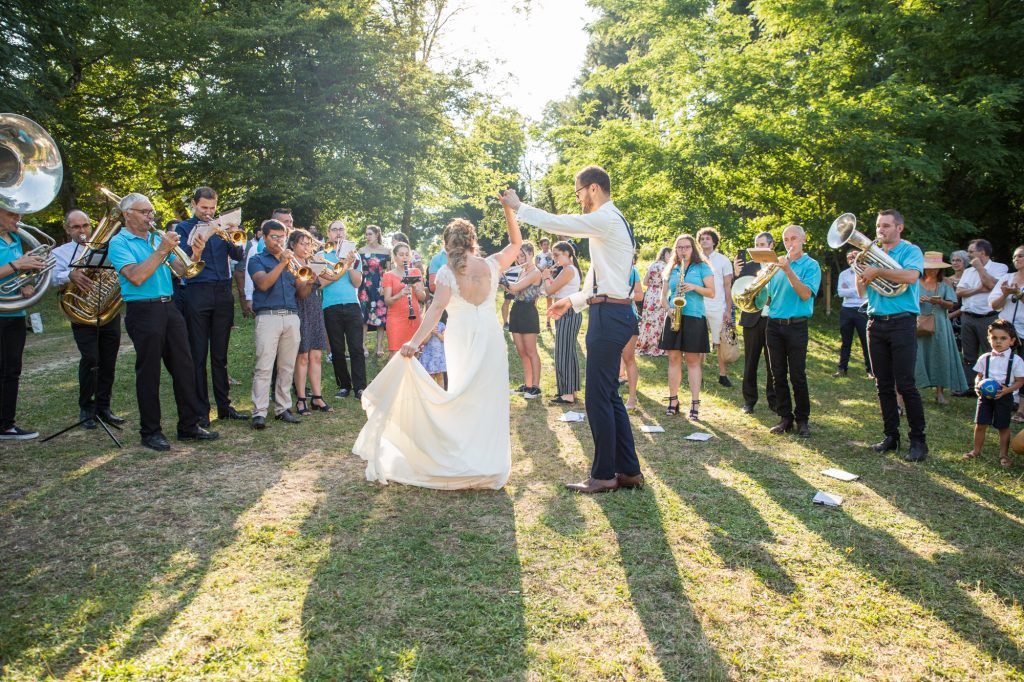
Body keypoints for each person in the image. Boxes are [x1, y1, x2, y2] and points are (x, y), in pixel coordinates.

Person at [352, 209, 522, 489]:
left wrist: (413, 342)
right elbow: (516, 244)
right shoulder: (491, 265)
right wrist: (508, 211)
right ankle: (489, 463)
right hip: (491, 337)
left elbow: (435, 310)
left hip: (462, 336)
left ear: (446, 245)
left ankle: (467, 456)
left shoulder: (447, 272)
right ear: (473, 241)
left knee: (462, 394)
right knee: (490, 396)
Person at [506, 165, 643, 494]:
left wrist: (519, 207)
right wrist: (574, 301)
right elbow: (602, 278)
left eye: (579, 191)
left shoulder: (606, 218)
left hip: (610, 316)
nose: (579, 198)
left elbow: (559, 223)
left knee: (597, 397)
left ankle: (603, 475)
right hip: (610, 311)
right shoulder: (609, 224)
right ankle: (628, 471)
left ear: (594, 188)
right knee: (608, 395)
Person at [106, 193, 219, 450]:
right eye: (144, 212)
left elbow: (180, 270)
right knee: (149, 372)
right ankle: (150, 431)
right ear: (127, 214)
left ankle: (188, 425)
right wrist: (160, 250)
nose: (150, 217)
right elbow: (136, 276)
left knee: (184, 366)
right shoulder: (119, 242)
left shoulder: (156, 238)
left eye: (151, 212)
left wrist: (196, 252)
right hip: (142, 309)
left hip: (169, 306)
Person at [855, 209, 927, 461]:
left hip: (902, 322)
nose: (880, 230)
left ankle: (918, 441)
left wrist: (878, 271)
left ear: (899, 228)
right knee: (882, 383)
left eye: (886, 225)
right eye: (878, 226)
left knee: (905, 384)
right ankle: (891, 436)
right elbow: (862, 292)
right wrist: (861, 270)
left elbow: (910, 276)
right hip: (875, 322)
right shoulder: (873, 254)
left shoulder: (910, 251)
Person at [174, 186, 248, 425]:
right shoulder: (184, 228)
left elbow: (237, 255)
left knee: (220, 354)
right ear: (194, 205)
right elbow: (183, 260)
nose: (208, 212)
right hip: (197, 291)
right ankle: (201, 410)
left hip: (223, 292)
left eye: (212, 208)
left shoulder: (221, 228)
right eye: (204, 207)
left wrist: (235, 234)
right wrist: (203, 238)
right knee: (198, 353)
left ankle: (224, 406)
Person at [50, 209, 126, 429]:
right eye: (76, 227)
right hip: (82, 314)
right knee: (91, 359)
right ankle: (86, 407)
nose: (82, 231)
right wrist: (70, 275)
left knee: (109, 360)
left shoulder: (107, 248)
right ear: (67, 229)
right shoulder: (60, 253)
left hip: (107, 312)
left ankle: (104, 407)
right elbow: (53, 278)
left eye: (85, 226)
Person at [247, 219, 314, 429]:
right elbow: (264, 284)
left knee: (287, 366)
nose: (278, 241)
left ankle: (283, 408)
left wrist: (307, 281)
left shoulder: (292, 262)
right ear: (264, 237)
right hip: (268, 316)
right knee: (264, 366)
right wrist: (282, 263)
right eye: (274, 237)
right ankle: (259, 411)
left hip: (292, 316)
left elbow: (301, 294)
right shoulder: (257, 260)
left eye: (281, 237)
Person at [763, 225, 821, 437]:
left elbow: (806, 294)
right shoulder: (775, 264)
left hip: (796, 325)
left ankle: (802, 419)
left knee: (797, 374)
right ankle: (785, 417)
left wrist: (788, 269)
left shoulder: (811, 265)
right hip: (774, 324)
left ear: (804, 240)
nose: (789, 243)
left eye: (794, 238)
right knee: (777, 374)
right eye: (786, 239)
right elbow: (769, 296)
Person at [0, 206, 47, 440]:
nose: (17, 219)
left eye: (18, 214)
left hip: (14, 312)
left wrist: (25, 283)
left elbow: (20, 274)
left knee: (11, 370)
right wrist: (17, 265)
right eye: (11, 214)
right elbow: (16, 266)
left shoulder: (16, 238)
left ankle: (6, 425)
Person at [659, 235, 714, 419]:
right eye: (680, 247)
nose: (683, 251)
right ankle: (673, 400)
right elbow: (663, 297)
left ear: (693, 248)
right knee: (673, 359)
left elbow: (712, 292)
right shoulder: (672, 269)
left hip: (694, 317)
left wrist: (693, 287)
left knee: (692, 361)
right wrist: (668, 310)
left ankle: (695, 403)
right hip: (675, 316)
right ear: (676, 249)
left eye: (687, 247)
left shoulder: (702, 267)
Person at [963, 319, 1024, 468]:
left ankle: (1003, 455)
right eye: (994, 338)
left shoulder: (1016, 360)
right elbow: (979, 375)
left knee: (1003, 426)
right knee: (980, 424)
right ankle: (976, 451)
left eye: (1003, 338)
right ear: (989, 339)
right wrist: (978, 385)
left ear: (1012, 341)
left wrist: (1006, 391)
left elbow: (1020, 381)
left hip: (1004, 397)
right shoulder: (985, 358)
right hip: (985, 397)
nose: (998, 341)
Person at [319, 220, 365, 400]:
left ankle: (360, 387)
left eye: (341, 229)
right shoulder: (321, 255)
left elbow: (357, 282)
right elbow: (321, 283)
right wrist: (340, 267)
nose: (338, 232)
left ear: (345, 233)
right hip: (330, 306)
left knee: (356, 348)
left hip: (352, 305)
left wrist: (350, 264)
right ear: (328, 233)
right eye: (334, 229)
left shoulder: (355, 256)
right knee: (337, 349)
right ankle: (344, 386)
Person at [914, 252, 968, 405]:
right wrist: (917, 300)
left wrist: (937, 301)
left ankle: (939, 393)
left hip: (940, 324)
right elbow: (905, 301)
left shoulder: (944, 284)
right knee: (917, 355)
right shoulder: (915, 282)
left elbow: (951, 304)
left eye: (935, 268)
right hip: (918, 322)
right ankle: (915, 389)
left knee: (940, 355)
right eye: (929, 268)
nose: (932, 271)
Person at [955, 239, 1008, 395]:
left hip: (988, 317)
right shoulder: (967, 271)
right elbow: (959, 292)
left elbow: (993, 286)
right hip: (968, 316)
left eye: (971, 251)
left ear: (982, 253)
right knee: (968, 353)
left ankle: (993, 385)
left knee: (992, 351)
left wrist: (979, 269)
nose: (968, 254)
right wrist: (979, 289)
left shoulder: (1000, 268)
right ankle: (969, 386)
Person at [289, 229, 332, 414]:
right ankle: (301, 398)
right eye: (302, 243)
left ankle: (317, 397)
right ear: (293, 245)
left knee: (316, 355)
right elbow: (297, 289)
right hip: (298, 306)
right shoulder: (289, 262)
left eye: (308, 244)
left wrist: (345, 265)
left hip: (314, 307)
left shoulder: (313, 261)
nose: (306, 247)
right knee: (302, 356)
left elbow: (331, 278)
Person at [734, 232, 776, 414]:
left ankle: (774, 401)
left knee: (773, 364)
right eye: (756, 244)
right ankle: (749, 401)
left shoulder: (779, 265)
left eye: (762, 244)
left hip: (773, 319)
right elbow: (737, 290)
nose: (758, 248)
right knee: (750, 362)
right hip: (752, 320)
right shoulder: (747, 267)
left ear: (771, 245)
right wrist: (736, 273)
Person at [542, 240, 582, 405]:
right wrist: (550, 277)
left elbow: (549, 291)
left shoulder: (568, 270)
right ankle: (570, 390)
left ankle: (567, 394)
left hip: (567, 312)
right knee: (568, 351)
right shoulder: (567, 270)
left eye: (557, 254)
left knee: (563, 352)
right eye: (553, 255)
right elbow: (556, 289)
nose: (555, 258)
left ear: (568, 254)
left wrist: (545, 277)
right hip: (567, 311)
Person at [988, 245, 1024, 421]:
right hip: (1005, 329)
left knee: (1023, 368)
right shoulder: (1006, 278)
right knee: (1002, 365)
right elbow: (993, 305)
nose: (1017, 259)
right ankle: (1002, 399)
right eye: (1015, 256)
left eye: (1021, 256)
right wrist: (1004, 294)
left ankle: (1021, 410)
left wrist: (1019, 293)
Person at [504, 242, 543, 398]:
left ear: (531, 254)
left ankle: (536, 387)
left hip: (528, 311)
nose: (520, 259)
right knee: (521, 351)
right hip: (517, 310)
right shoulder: (522, 271)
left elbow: (515, 288)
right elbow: (511, 290)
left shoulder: (535, 272)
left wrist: (501, 277)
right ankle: (527, 385)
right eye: (518, 256)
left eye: (523, 256)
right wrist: (504, 283)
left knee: (531, 351)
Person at [697, 227, 734, 387]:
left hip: (718, 306)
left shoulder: (723, 260)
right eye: (702, 238)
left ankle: (722, 374)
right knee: (698, 342)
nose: (704, 240)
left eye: (707, 238)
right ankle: (698, 374)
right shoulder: (695, 259)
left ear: (714, 241)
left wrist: (728, 309)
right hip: (698, 305)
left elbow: (727, 287)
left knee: (719, 343)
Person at [381, 241, 425, 358]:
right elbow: (387, 301)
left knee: (413, 352)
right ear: (394, 257)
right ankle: (394, 377)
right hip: (396, 317)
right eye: (401, 255)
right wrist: (400, 294)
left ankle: (410, 377)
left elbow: (422, 297)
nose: (404, 257)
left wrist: (416, 288)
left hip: (413, 317)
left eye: (407, 254)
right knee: (395, 353)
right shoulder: (388, 275)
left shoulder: (416, 272)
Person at [834, 248, 872, 378]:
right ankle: (842, 368)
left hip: (862, 309)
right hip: (847, 309)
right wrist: (856, 291)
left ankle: (870, 370)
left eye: (854, 257)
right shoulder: (843, 274)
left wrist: (850, 290)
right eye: (850, 258)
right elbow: (840, 292)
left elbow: (865, 293)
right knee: (846, 341)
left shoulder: (867, 272)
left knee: (865, 340)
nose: (852, 260)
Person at [358, 225, 390, 358]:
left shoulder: (386, 251)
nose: (367, 237)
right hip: (365, 286)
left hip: (380, 286)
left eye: (370, 234)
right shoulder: (361, 250)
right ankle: (363, 345)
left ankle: (379, 345)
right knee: (363, 316)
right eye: (366, 234)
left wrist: (386, 286)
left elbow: (388, 271)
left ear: (377, 235)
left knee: (380, 314)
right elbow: (358, 270)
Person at [619, 253, 644, 410]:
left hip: (628, 316)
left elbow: (640, 295)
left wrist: (622, 295)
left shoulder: (632, 270)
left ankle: (632, 398)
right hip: (608, 317)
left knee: (628, 357)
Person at [636, 247, 671, 357]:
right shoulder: (666, 267)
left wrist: (653, 285)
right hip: (660, 293)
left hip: (650, 293)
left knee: (647, 319)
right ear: (664, 255)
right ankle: (656, 347)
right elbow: (668, 283)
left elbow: (645, 282)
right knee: (658, 319)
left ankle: (644, 344)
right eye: (669, 254)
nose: (670, 257)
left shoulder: (652, 264)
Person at [947, 249, 969, 352]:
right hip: (947, 317)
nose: (955, 263)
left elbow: (968, 303)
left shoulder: (970, 279)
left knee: (964, 350)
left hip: (964, 316)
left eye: (958, 260)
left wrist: (952, 315)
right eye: (953, 260)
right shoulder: (947, 280)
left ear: (965, 262)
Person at [418, 320, 446, 386]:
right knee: (430, 376)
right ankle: (430, 394)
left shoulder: (442, 325)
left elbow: (444, 339)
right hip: (429, 356)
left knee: (440, 376)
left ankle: (441, 394)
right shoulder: (426, 325)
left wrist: (437, 334)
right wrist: (430, 332)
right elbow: (423, 342)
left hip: (439, 355)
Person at [536, 237, 555, 330]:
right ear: (541, 245)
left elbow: (552, 265)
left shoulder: (552, 255)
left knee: (549, 300)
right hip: (540, 278)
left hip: (548, 278)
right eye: (544, 244)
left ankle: (548, 321)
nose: (546, 246)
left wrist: (547, 271)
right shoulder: (538, 256)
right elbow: (536, 265)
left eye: (548, 244)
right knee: (535, 298)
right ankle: (535, 320)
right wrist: (542, 270)